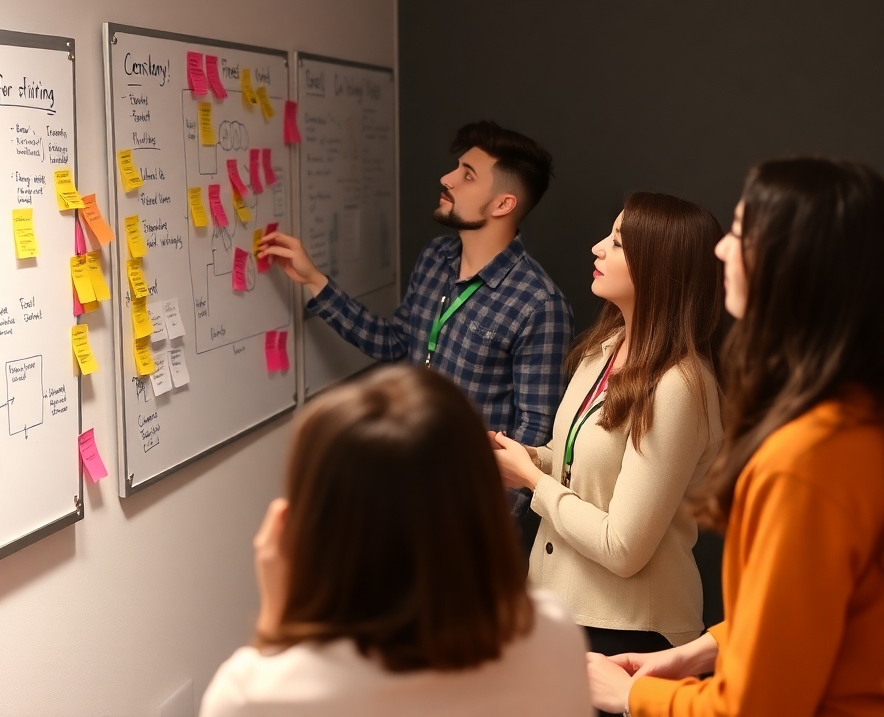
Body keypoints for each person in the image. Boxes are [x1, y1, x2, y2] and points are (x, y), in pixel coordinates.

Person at [586, 159, 884, 717]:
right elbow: (812, 608)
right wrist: (704, 649)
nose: (722, 251)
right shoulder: (853, 424)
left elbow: (760, 705)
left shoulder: (807, 461)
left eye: (742, 233)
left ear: (797, 265)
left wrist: (631, 696)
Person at [199, 364, 591, 717]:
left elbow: (264, 686)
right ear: (480, 510)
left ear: (309, 527)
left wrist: (276, 618)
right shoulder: (551, 635)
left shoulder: (253, 695)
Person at [259, 121, 573, 504]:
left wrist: (488, 528)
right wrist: (313, 280)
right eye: (457, 168)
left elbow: (535, 437)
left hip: (465, 503)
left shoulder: (539, 304)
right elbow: (395, 343)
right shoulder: (435, 258)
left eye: (467, 175)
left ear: (502, 204)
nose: (447, 178)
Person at [490, 192, 724, 690]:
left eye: (617, 243)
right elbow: (581, 467)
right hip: (558, 611)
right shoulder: (605, 348)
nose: (597, 248)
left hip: (630, 636)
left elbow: (622, 548)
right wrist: (526, 458)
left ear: (659, 267)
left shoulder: (679, 386)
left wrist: (531, 480)